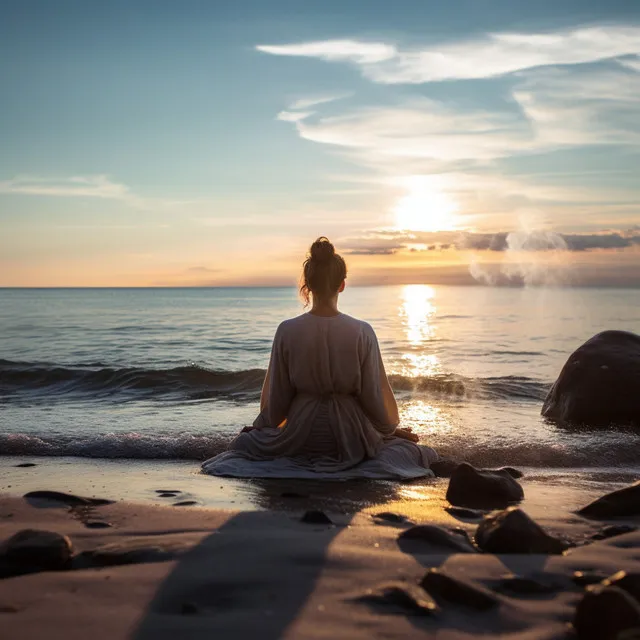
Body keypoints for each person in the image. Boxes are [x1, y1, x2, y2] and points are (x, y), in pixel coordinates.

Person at [202, 237, 441, 479]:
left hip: (298, 436)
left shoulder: (287, 330)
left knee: (243, 444)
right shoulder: (362, 331)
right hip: (351, 437)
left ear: (307, 284)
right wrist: (387, 431)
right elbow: (373, 395)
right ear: (342, 285)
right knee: (413, 450)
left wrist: (261, 426)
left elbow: (278, 400)